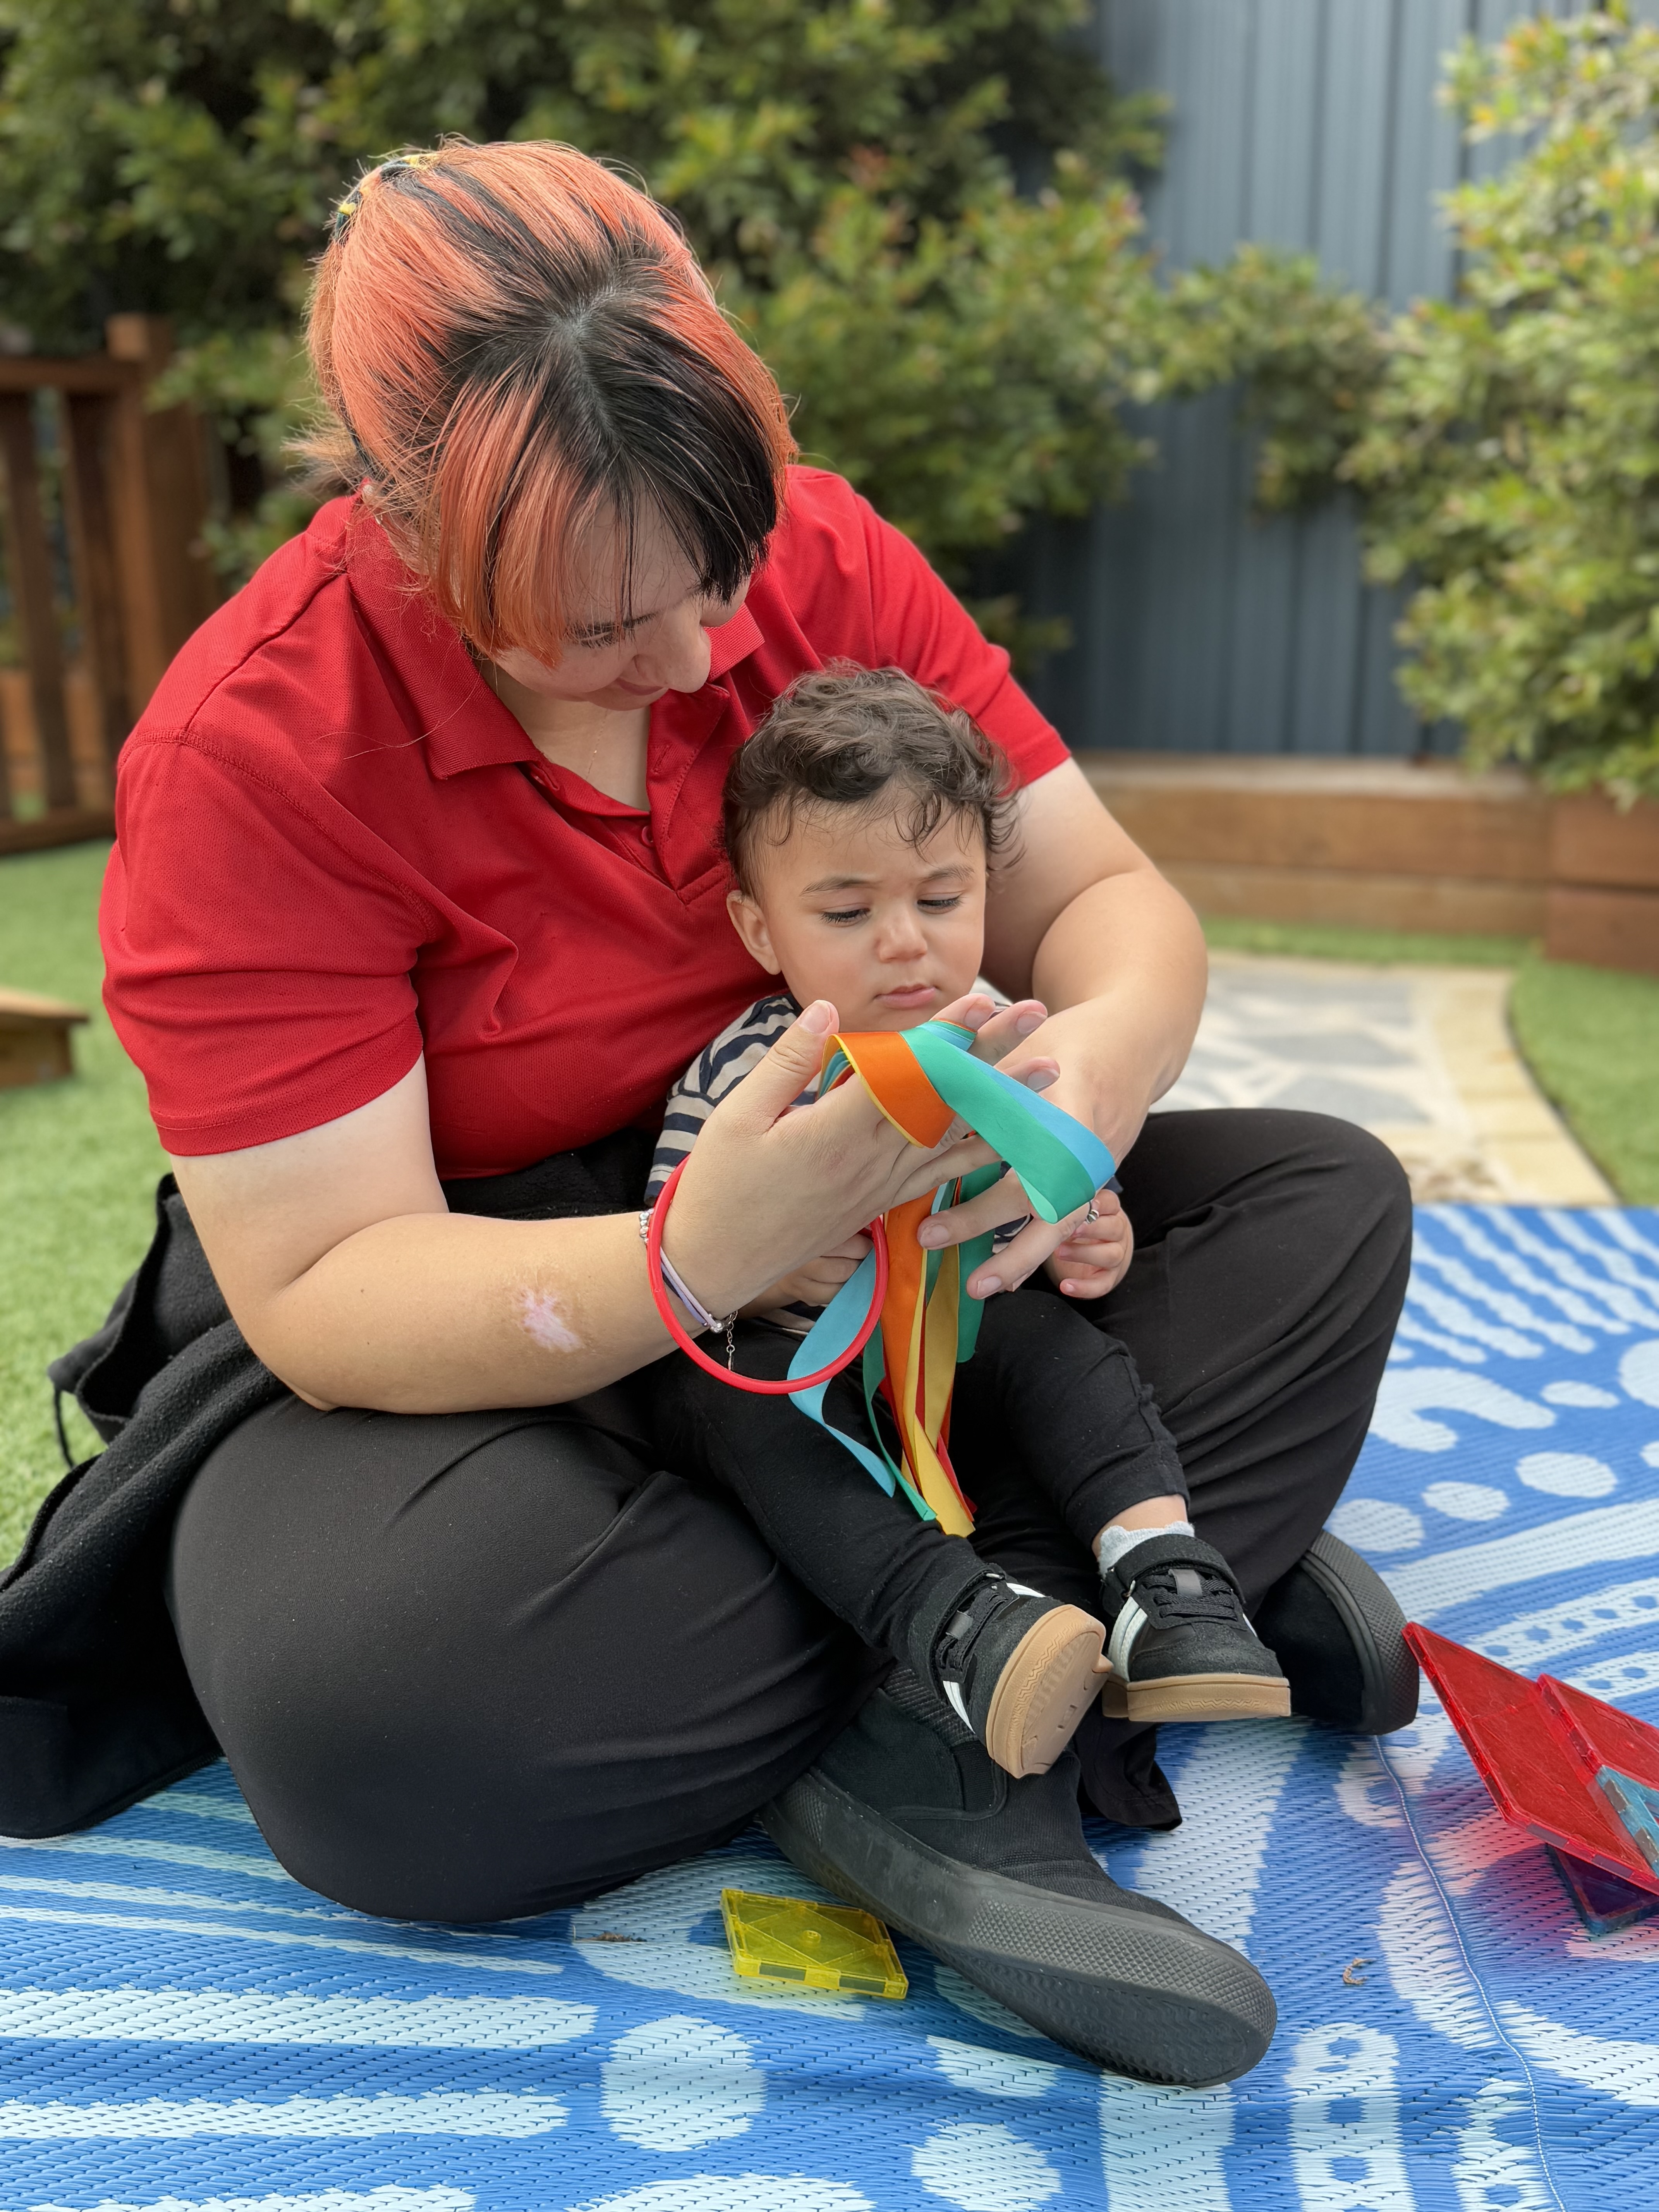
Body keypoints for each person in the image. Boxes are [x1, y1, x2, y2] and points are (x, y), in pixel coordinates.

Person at [18, 138, 1419, 2088]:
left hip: (893, 1265)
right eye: (601, 629)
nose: (697, 665)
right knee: (380, 1725)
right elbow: (330, 1291)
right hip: (489, 1331)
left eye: (721, 580)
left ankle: (996, 1651)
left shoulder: (826, 562)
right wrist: (696, 1259)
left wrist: (1082, 1107)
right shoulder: (260, 749)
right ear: (406, 528)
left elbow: (1110, 903)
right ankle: (1106, 1581)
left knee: (1323, 1204)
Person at [641, 663, 1291, 1784]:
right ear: (759, 927)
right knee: (733, 1415)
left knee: (1070, 1358)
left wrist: (1091, 1229)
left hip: (970, 1339)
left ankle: (1165, 1580)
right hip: (810, 1367)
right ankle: (962, 1625)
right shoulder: (748, 1070)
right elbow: (668, 1250)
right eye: (847, 913)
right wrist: (761, 1268)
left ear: (987, 888)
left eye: (940, 900)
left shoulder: (1009, 1046)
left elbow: (1059, 1186)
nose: (904, 942)